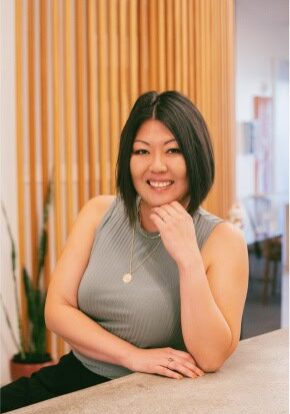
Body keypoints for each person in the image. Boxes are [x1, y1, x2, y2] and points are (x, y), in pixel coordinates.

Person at [1, 91, 248, 412]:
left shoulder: (223, 239)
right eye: (142, 151)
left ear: (196, 156)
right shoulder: (98, 212)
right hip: (74, 377)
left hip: (155, 395)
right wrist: (132, 356)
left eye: (173, 150)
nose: (156, 166)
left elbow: (211, 356)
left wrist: (188, 258)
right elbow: (56, 309)